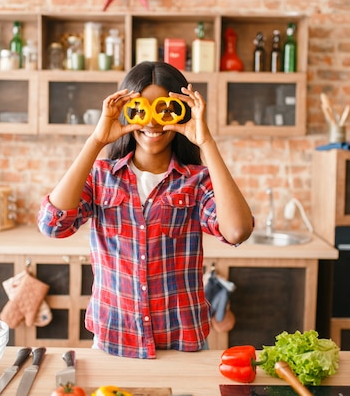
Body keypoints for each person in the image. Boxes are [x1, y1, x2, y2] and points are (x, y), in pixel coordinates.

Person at [37, 61, 254, 359]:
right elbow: (53, 225)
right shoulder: (101, 176)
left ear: (181, 112)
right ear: (126, 110)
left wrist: (206, 142)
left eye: (165, 109)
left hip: (183, 343)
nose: (152, 122)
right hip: (114, 339)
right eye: (141, 109)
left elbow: (237, 230)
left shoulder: (197, 179)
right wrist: (97, 139)